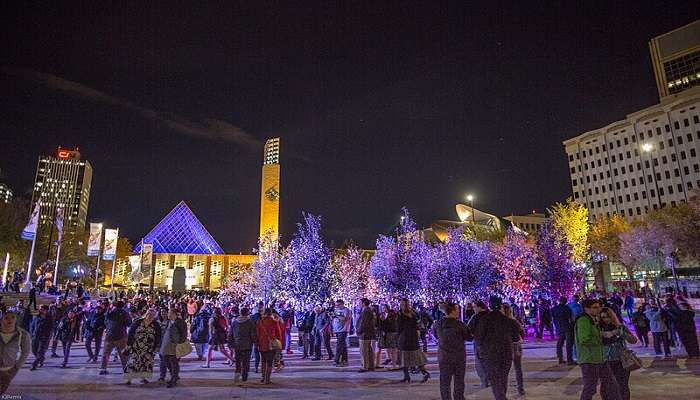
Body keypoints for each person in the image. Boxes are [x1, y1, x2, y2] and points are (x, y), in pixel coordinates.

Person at [473, 296, 521, 400]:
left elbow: (478, 337)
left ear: (489, 306)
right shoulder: (508, 321)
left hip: (490, 354)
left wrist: (481, 349)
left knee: (495, 379)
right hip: (506, 353)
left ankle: (501, 397)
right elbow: (516, 337)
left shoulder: (484, 320)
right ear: (501, 306)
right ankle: (502, 396)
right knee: (503, 378)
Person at [575, 299, 621, 400]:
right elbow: (584, 339)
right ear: (586, 309)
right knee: (590, 388)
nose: (598, 309)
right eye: (595, 307)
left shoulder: (593, 320)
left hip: (599, 358)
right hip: (589, 359)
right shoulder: (584, 320)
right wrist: (600, 340)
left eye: (598, 307)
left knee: (611, 384)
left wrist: (605, 335)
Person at [432, 302, 470, 400]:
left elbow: (435, 335)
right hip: (458, 356)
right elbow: (468, 337)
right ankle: (459, 397)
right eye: (457, 309)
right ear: (452, 311)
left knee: (445, 381)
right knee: (459, 380)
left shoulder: (438, 323)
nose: (459, 311)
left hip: (444, 356)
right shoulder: (459, 324)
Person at [599, 307, 637, 400]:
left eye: (608, 317)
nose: (606, 319)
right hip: (605, 361)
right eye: (603, 317)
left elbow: (633, 340)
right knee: (606, 386)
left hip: (621, 360)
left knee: (622, 385)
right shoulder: (598, 328)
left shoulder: (620, 327)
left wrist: (621, 333)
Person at [125, 308, 162, 385]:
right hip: (136, 346)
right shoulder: (138, 321)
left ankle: (143, 378)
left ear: (154, 316)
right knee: (133, 362)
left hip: (149, 347)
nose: (150, 316)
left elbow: (158, 336)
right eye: (149, 314)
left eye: (152, 315)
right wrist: (129, 344)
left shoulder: (156, 324)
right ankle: (128, 379)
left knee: (146, 363)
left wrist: (157, 346)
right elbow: (131, 332)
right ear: (146, 314)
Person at [397, 298, 430, 383]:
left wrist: (398, 337)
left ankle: (407, 376)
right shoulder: (414, 313)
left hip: (405, 338)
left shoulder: (401, 314)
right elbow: (418, 324)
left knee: (405, 358)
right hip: (413, 338)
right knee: (416, 357)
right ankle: (424, 372)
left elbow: (399, 328)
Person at [0, 311, 31, 395]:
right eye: (6, 318)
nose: (10, 320)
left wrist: (17, 366)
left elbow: (26, 351)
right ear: (1, 320)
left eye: (13, 317)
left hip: (8, 370)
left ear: (16, 319)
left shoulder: (23, 334)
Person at [100, 300, 132, 375]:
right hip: (121, 336)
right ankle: (126, 369)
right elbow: (129, 323)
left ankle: (103, 369)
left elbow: (105, 322)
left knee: (106, 353)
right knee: (123, 354)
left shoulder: (109, 312)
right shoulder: (124, 313)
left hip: (109, 336)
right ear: (123, 306)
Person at [159, 308, 187, 388]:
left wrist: (179, 343)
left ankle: (173, 379)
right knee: (166, 360)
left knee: (173, 362)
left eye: (170, 313)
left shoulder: (180, 322)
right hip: (166, 345)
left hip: (174, 346)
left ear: (174, 314)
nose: (168, 314)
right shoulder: (169, 322)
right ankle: (174, 375)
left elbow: (183, 335)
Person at [503, 304, 525, 396]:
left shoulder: (500, 323)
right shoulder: (514, 321)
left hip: (505, 347)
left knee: (504, 370)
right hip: (516, 346)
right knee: (518, 368)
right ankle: (520, 388)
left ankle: (503, 391)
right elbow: (522, 333)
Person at [255, 308, 282, 385]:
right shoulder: (274, 322)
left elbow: (257, 334)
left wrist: (257, 343)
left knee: (263, 361)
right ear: (271, 313)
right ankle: (267, 379)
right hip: (271, 344)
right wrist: (279, 343)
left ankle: (263, 377)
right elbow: (278, 334)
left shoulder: (260, 322)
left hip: (262, 344)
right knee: (269, 362)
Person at [230, 307, 256, 383]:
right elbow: (252, 334)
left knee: (238, 361)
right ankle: (244, 376)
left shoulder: (234, 322)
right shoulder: (250, 322)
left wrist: (231, 343)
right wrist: (255, 342)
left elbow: (230, 334)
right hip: (247, 344)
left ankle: (237, 374)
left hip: (237, 344)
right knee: (246, 361)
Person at [466, 300, 489, 388]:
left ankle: (484, 381)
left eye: (474, 307)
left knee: (480, 362)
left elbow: (468, 329)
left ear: (479, 307)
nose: (473, 309)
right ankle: (491, 379)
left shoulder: (475, 317)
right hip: (491, 343)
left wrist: (470, 337)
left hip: (479, 342)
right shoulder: (490, 315)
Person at [551, 296, 575, 365]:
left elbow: (552, 319)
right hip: (567, 327)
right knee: (569, 344)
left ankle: (560, 359)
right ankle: (569, 360)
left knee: (559, 343)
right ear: (565, 301)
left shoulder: (553, 309)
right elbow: (570, 319)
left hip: (559, 327)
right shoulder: (567, 308)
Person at [29, 305, 53, 370]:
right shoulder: (36, 317)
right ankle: (41, 358)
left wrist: (47, 336)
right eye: (40, 309)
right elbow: (32, 326)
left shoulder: (49, 318)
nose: (40, 310)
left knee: (40, 351)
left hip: (43, 337)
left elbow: (50, 328)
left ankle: (34, 365)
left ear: (46, 310)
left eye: (42, 309)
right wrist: (31, 334)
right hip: (35, 336)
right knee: (34, 350)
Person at [356, 298, 376, 372]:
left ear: (364, 303)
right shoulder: (367, 310)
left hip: (365, 333)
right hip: (367, 333)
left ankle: (365, 366)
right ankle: (371, 365)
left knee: (364, 350)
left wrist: (359, 331)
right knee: (368, 350)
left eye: (360, 302)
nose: (359, 304)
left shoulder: (366, 311)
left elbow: (364, 323)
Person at [378, 304, 399, 369]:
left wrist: (383, 320)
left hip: (392, 333)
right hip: (388, 333)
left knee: (393, 349)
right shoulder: (384, 314)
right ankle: (392, 362)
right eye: (382, 308)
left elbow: (390, 324)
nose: (383, 309)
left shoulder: (391, 314)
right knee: (390, 349)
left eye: (384, 308)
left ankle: (394, 364)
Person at [332, 299, 351, 367]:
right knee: (343, 345)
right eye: (336, 305)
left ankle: (336, 360)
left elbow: (344, 318)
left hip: (343, 330)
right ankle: (344, 360)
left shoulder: (346, 310)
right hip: (337, 329)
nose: (337, 306)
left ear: (342, 304)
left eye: (338, 305)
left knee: (339, 345)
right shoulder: (336, 310)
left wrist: (336, 315)